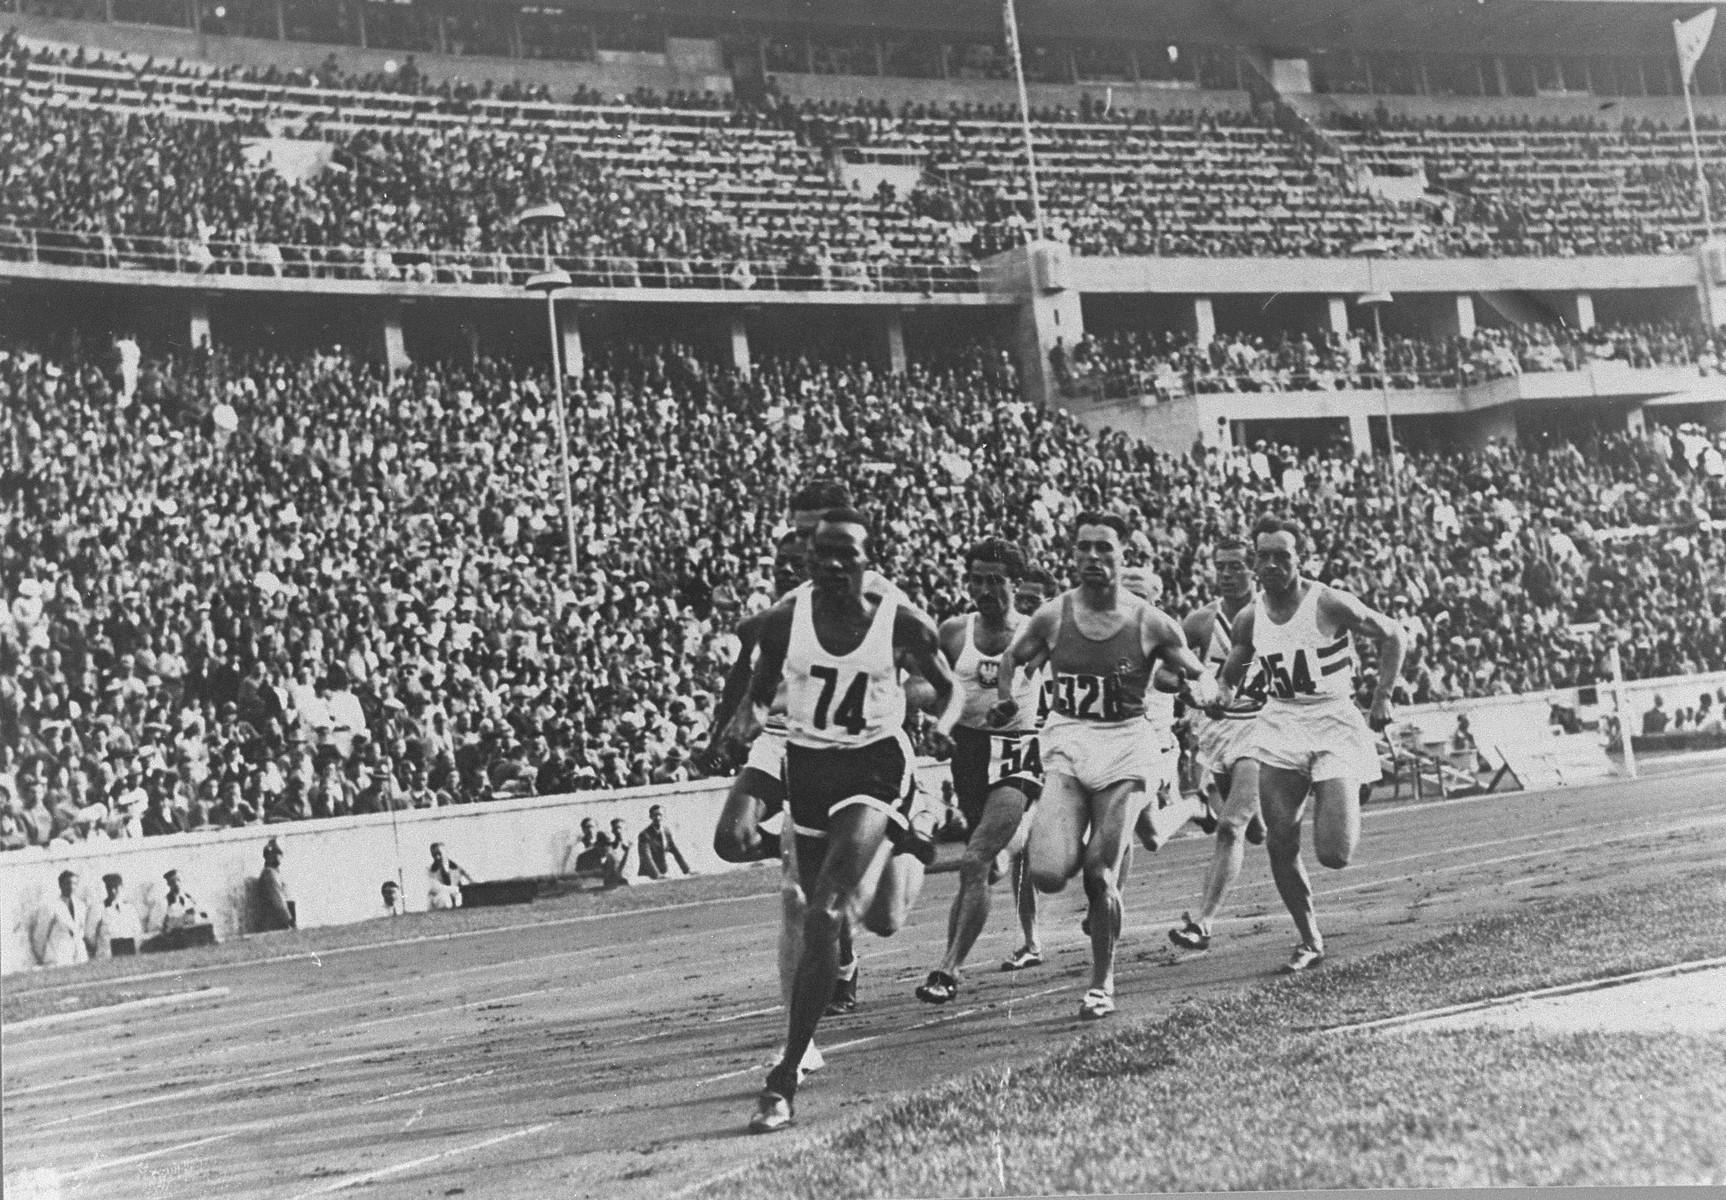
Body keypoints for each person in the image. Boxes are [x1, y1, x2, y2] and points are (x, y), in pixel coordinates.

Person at [726, 507, 959, 1134]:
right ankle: (908, 840)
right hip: (807, 764)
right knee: (811, 906)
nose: (831, 565)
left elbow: (947, 685)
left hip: (873, 764)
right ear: (807, 561)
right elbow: (759, 674)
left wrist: (937, 717)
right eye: (819, 555)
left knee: (827, 910)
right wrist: (744, 715)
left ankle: (784, 1077)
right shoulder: (784, 620)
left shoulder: (899, 620)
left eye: (845, 555)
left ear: (866, 560)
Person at [996, 512, 1215, 1020]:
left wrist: (1199, 691)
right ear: (1072, 555)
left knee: (1100, 870)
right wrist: (1008, 697)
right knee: (1048, 872)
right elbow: (1012, 657)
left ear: (1121, 556)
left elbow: (1194, 669)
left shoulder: (1150, 621)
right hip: (1069, 744)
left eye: (1104, 549)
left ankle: (1102, 981)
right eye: (1084, 548)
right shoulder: (1052, 614)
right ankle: (1088, 890)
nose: (1093, 558)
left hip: (1125, 748)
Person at [1218, 515, 1406, 973]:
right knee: (1280, 841)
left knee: (1334, 854)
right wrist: (1221, 695)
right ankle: (1309, 938)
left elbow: (1394, 634)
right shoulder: (1248, 616)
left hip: (1333, 723)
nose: (1272, 565)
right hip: (1280, 725)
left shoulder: (1329, 601)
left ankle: (1345, 786)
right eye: (1263, 557)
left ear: (1300, 558)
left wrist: (1382, 696)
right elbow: (1236, 663)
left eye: (1282, 555)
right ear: (1253, 562)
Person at [916, 538, 1047, 1006]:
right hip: (968, 752)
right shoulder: (954, 631)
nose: (986, 589)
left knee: (974, 860)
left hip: (1018, 751)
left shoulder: (1038, 630)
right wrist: (936, 723)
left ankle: (948, 970)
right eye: (977, 580)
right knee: (983, 865)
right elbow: (927, 686)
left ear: (1016, 583)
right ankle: (955, 955)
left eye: (997, 580)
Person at [1168, 539, 1270, 953]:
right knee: (1252, 829)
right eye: (1221, 567)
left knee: (1229, 827)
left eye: (1237, 567)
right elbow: (1164, 674)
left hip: (1262, 728)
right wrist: (1191, 691)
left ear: (1254, 571)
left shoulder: (1272, 615)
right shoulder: (1200, 622)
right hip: (1215, 732)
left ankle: (1204, 923)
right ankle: (1257, 817)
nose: (1227, 574)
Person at [30, 869, 90, 967]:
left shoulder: (81, 906)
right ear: (60, 885)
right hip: (57, 958)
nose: (71, 887)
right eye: (67, 883)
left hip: (79, 957)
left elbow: (81, 931)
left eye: (74, 884)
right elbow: (39, 936)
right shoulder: (51, 906)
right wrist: (44, 957)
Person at [89, 872, 141, 958]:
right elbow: (90, 935)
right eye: (109, 888)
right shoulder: (98, 909)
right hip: (106, 955)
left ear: (121, 887)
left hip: (128, 952)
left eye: (116, 887)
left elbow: (137, 931)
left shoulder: (130, 908)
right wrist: (103, 947)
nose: (113, 891)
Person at [637, 804, 693, 879]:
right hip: (648, 876)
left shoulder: (666, 831)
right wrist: (657, 875)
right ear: (650, 817)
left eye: (660, 815)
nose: (658, 818)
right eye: (654, 815)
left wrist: (687, 870)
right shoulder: (644, 835)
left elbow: (676, 852)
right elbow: (647, 857)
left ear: (664, 816)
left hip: (663, 873)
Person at [255, 837, 296, 931]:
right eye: (273, 855)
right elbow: (279, 901)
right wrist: (289, 921)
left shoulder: (274, 873)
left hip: (280, 919)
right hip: (276, 923)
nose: (277, 857)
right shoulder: (270, 874)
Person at [427, 843, 472, 909]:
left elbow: (472, 880)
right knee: (445, 900)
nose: (437, 857)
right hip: (440, 900)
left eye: (439, 853)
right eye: (434, 855)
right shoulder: (430, 870)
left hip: (458, 898)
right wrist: (455, 889)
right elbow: (436, 888)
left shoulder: (458, 866)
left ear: (446, 852)